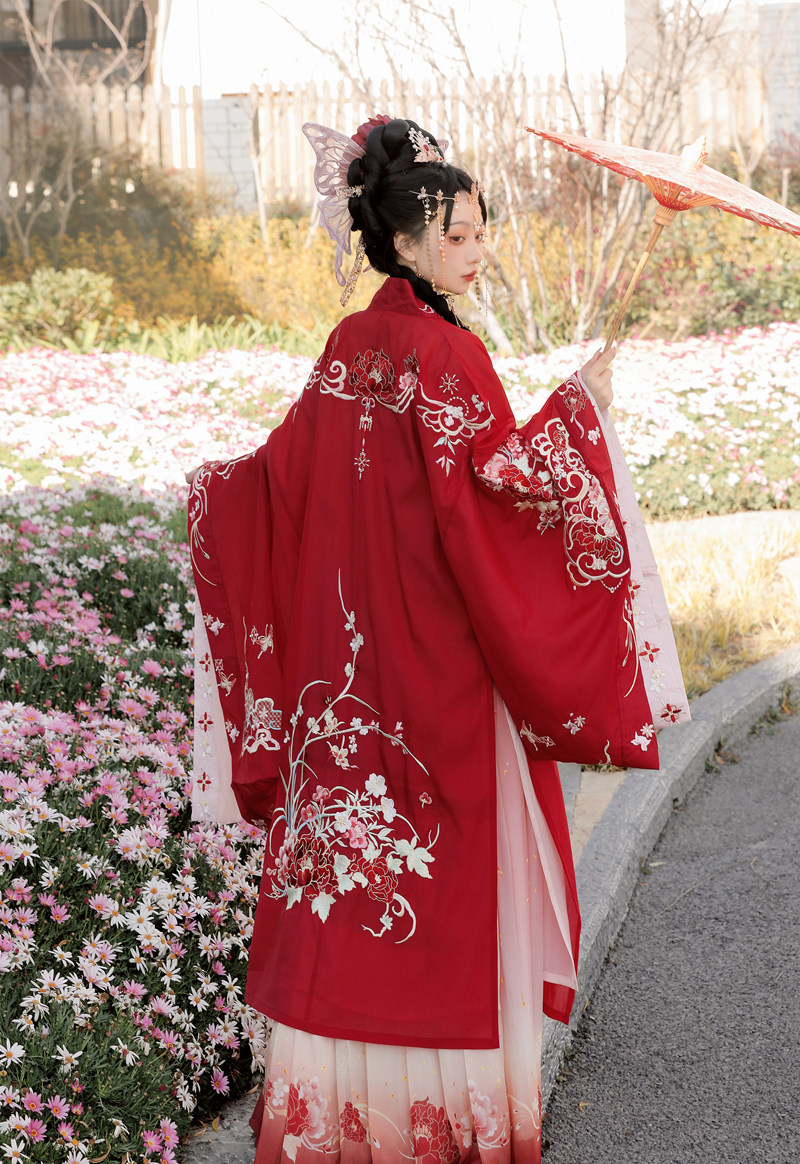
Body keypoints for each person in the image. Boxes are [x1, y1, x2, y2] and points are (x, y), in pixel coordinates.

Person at [187, 116, 688, 1163]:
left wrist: (207, 496)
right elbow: (498, 501)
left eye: (479, 231)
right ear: (403, 244)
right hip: (444, 678)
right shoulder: (445, 354)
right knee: (450, 882)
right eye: (458, 236)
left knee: (347, 886)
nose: (477, 251)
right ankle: (452, 1125)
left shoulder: (346, 350)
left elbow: (273, 488)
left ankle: (337, 1124)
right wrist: (579, 413)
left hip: (345, 679)